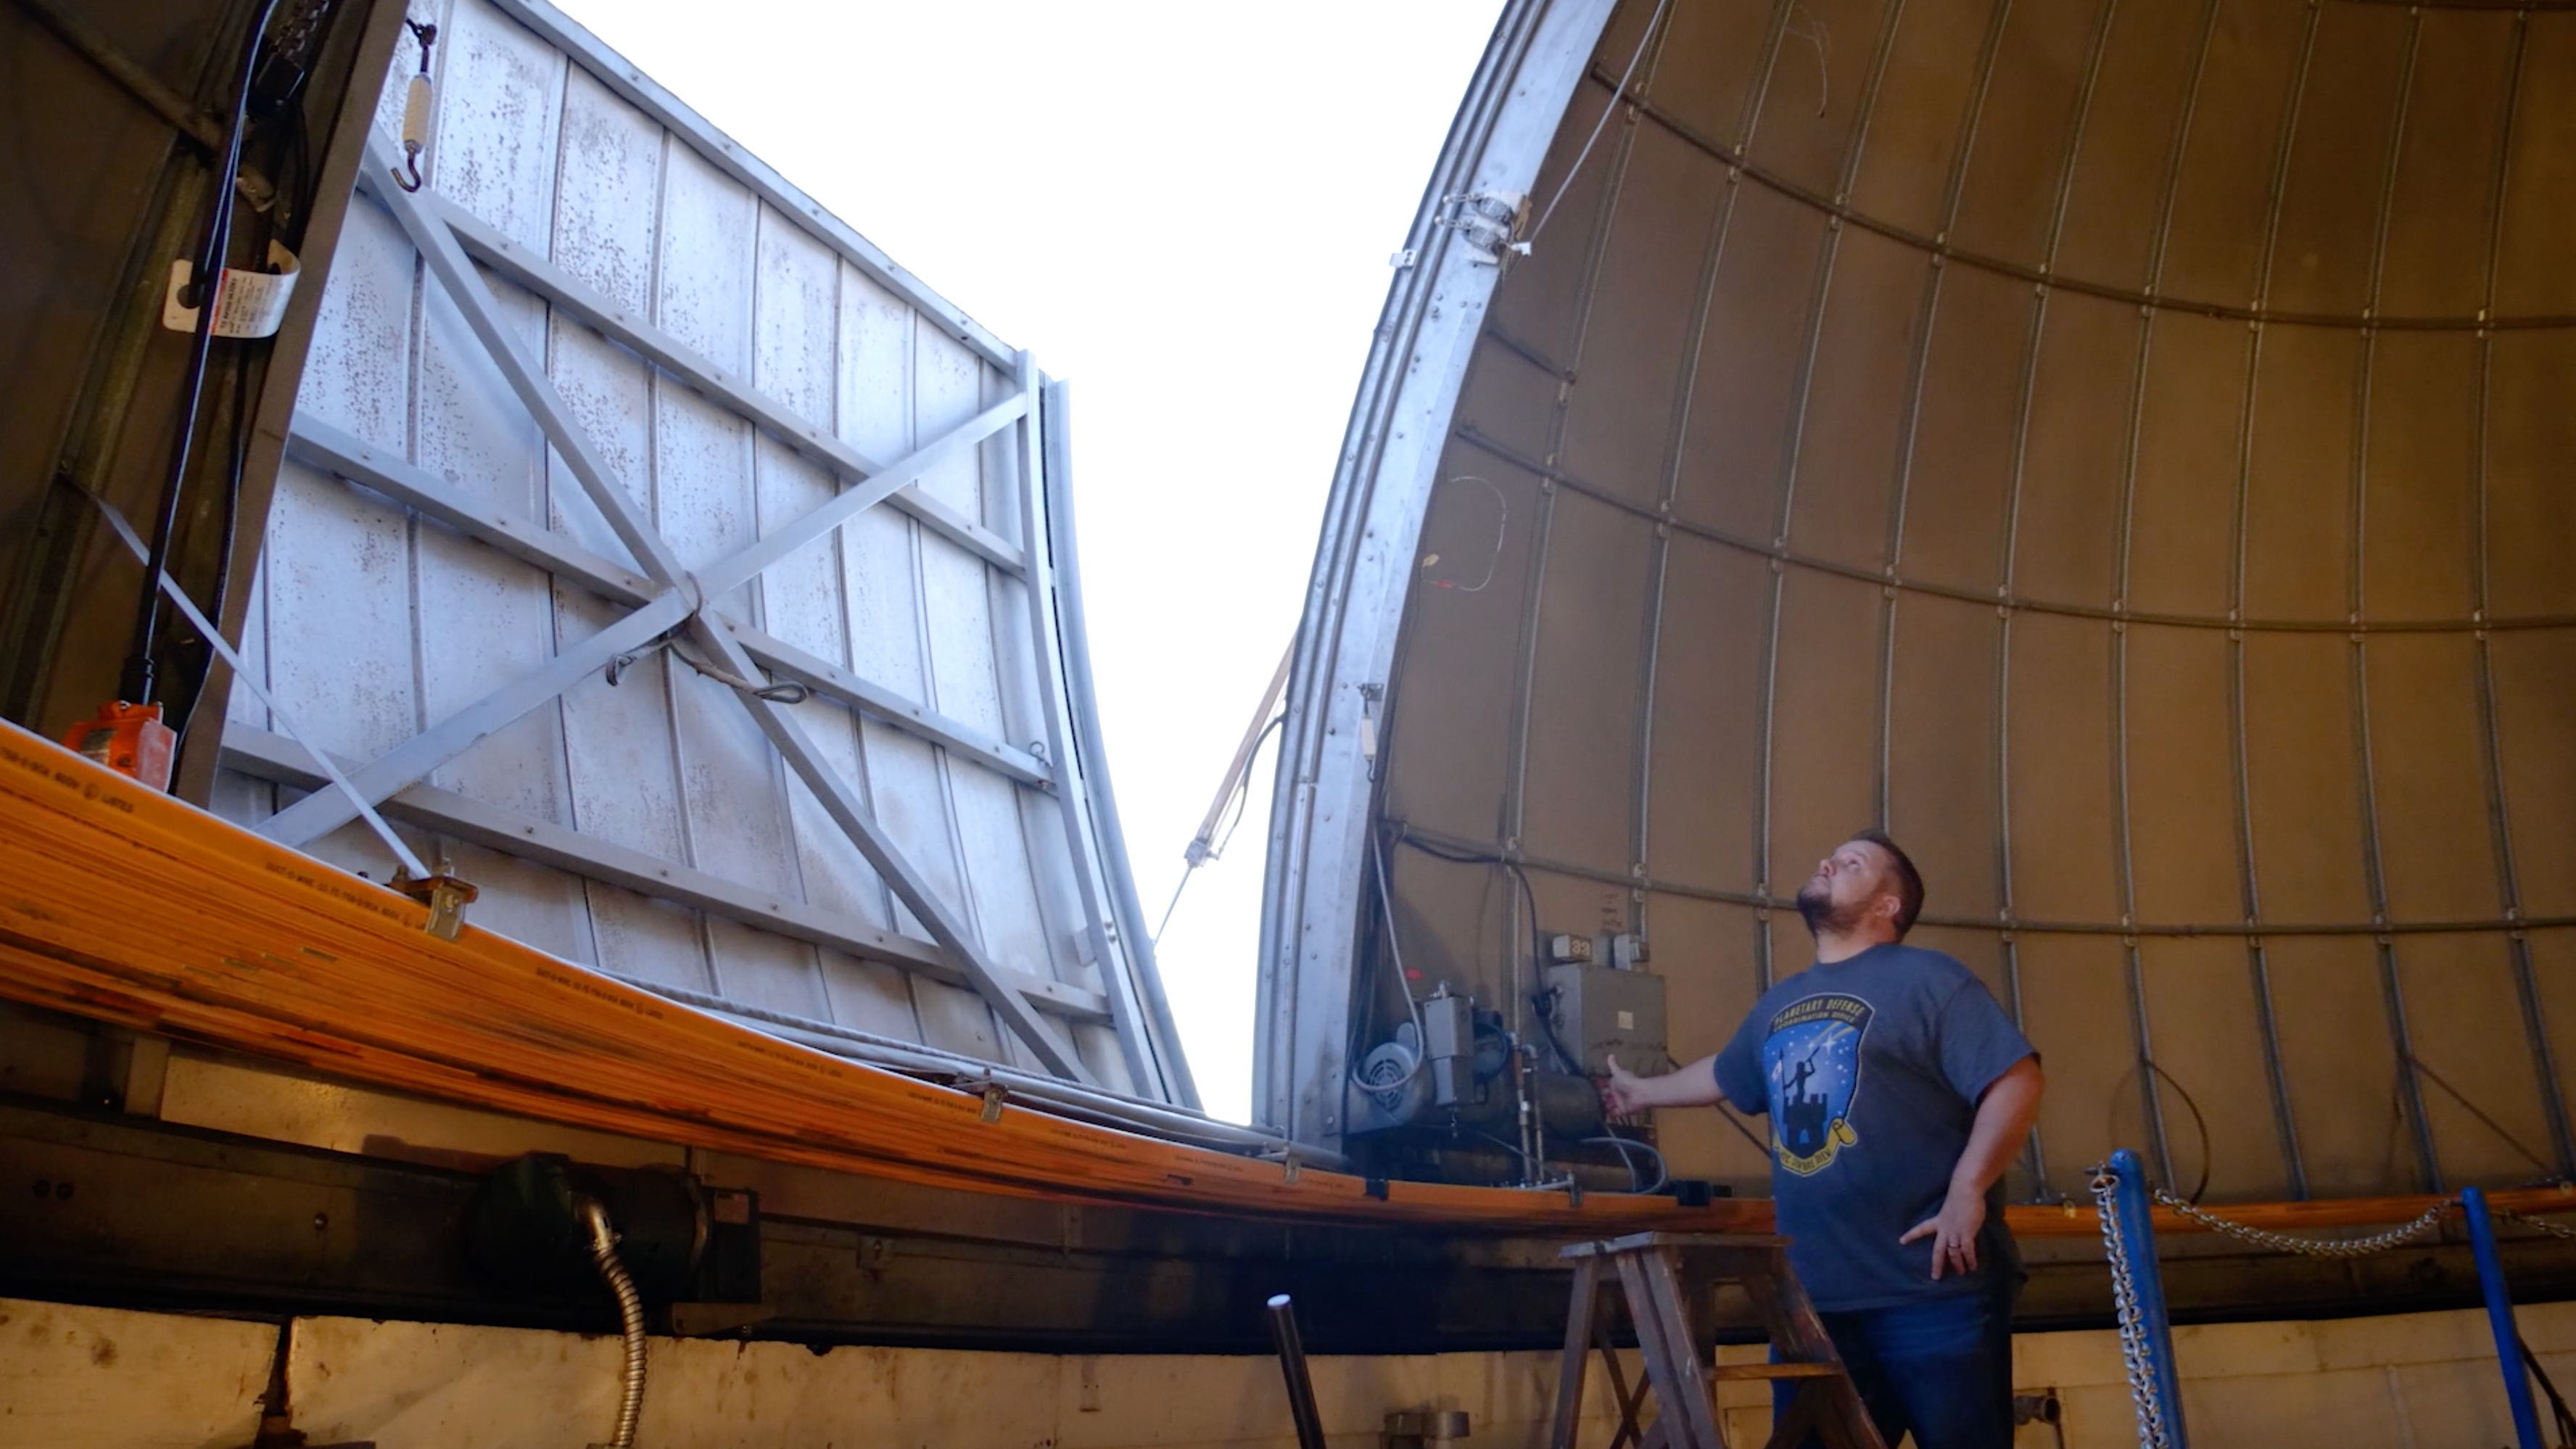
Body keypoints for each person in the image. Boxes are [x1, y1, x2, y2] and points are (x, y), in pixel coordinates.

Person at [1602, 830, 2044, 1449]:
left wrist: (1968, 1191)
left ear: (1889, 905)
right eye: (1830, 857)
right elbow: (1726, 1073)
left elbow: (2015, 1080)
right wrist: (1643, 1093)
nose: (1828, 862)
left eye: (1853, 862)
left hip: (1930, 1290)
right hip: (1814, 1303)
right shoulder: (1780, 1002)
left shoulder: (1931, 980)